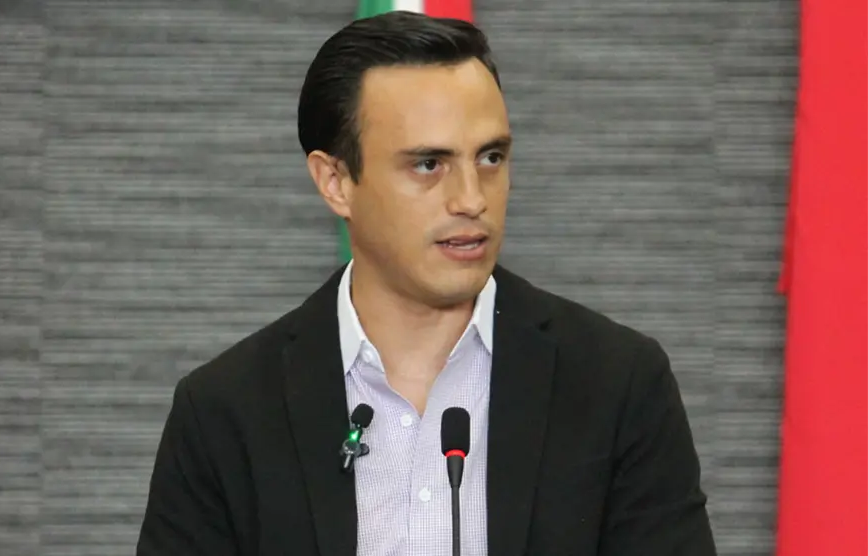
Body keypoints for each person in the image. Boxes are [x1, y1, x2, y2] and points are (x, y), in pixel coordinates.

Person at [136, 10, 716, 556]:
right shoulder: (225, 412)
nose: (471, 199)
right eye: (428, 164)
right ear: (335, 181)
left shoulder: (617, 384)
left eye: (491, 158)